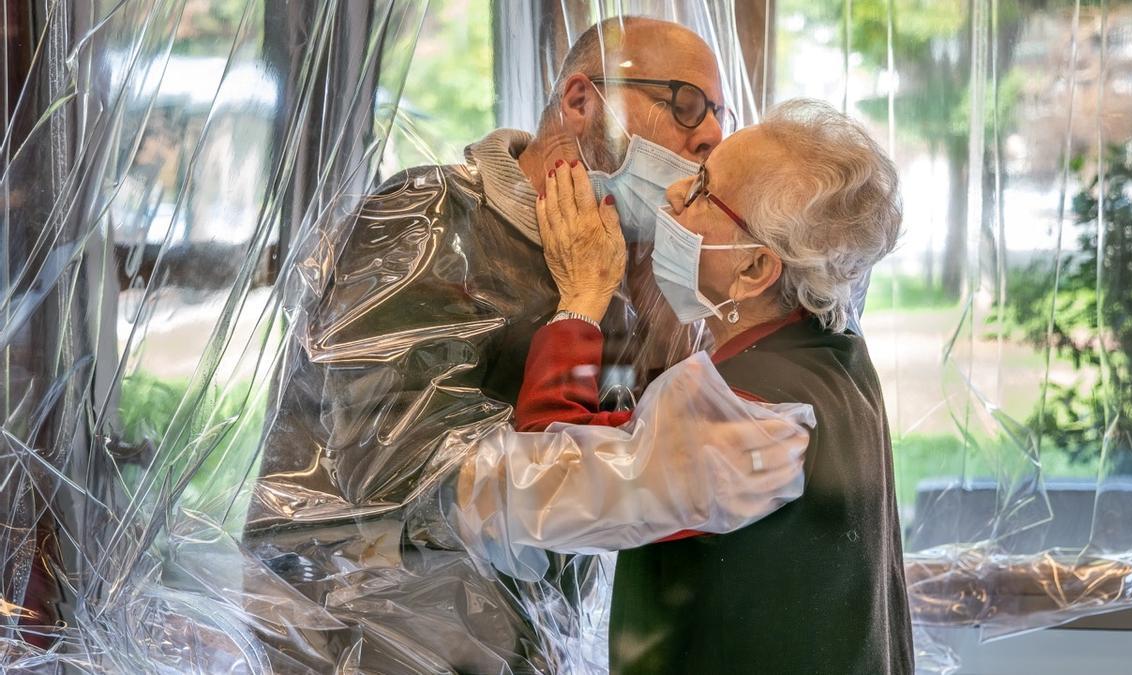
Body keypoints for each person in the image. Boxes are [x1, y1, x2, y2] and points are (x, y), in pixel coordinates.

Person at [241, 16, 792, 674]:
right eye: (686, 103)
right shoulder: (426, 220)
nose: (710, 134)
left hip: (516, 645)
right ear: (583, 101)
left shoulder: (624, 263)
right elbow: (399, 482)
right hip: (363, 645)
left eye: (717, 115)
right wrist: (580, 309)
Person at [519, 98, 913, 674]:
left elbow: (548, 485)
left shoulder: (751, 412)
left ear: (754, 269)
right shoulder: (831, 352)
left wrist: (581, 299)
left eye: (703, 189)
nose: (674, 194)